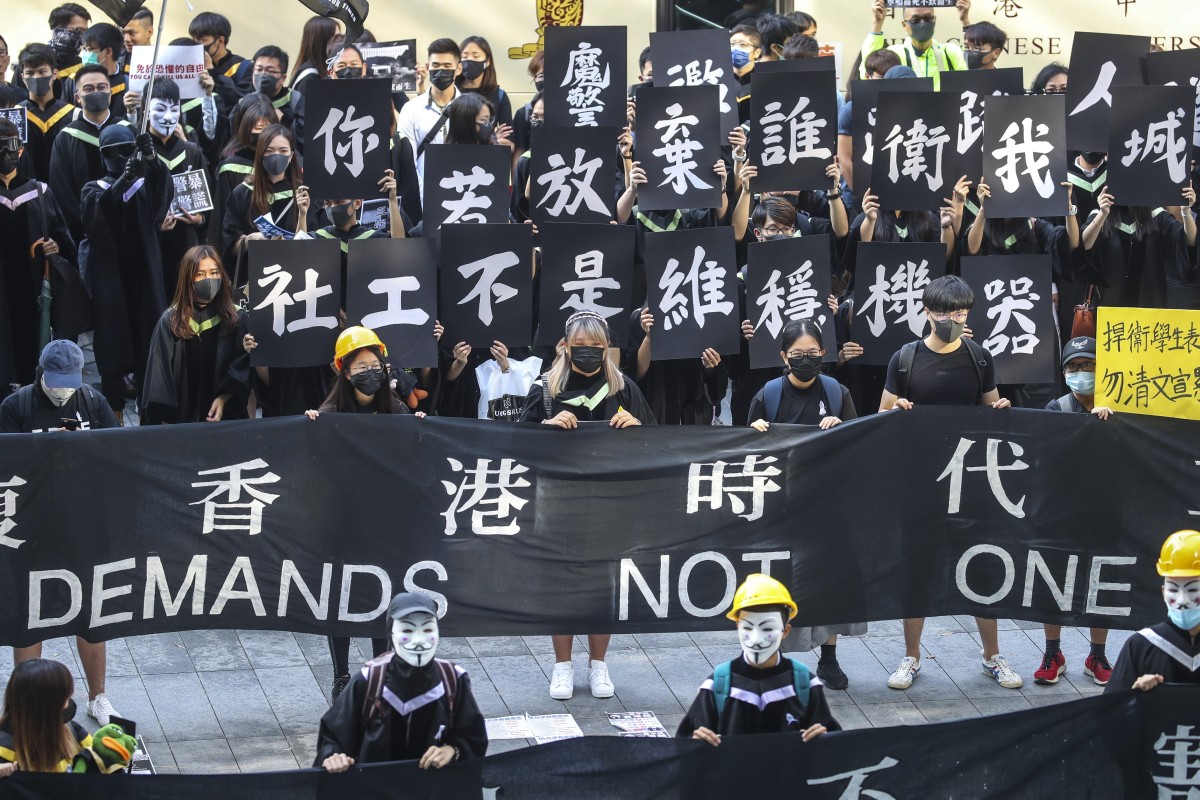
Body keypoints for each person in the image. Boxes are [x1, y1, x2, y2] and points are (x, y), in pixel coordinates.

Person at [878, 275, 1023, 691]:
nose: (953, 319)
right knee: (917, 568)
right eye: (945, 312)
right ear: (927, 311)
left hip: (971, 477)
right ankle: (911, 656)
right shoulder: (905, 358)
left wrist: (999, 407)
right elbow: (882, 414)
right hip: (919, 479)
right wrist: (899, 408)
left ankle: (992, 656)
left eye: (960, 312)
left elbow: (988, 404)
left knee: (981, 564)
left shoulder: (979, 356)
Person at [519, 311, 654, 699]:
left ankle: (598, 665)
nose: (590, 352)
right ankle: (562, 666)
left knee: (602, 585)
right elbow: (516, 444)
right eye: (582, 346)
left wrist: (636, 428)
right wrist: (545, 427)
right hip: (557, 504)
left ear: (607, 346)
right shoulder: (545, 389)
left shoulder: (623, 388)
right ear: (565, 345)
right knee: (559, 585)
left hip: (609, 503)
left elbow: (653, 442)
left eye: (597, 346)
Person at [0, 343, 120, 726]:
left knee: (90, 612)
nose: (62, 391)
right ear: (41, 373)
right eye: (56, 383)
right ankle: (24, 704)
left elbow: (118, 455)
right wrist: (46, 447)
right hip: (32, 527)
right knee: (30, 615)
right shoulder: (16, 407)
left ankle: (98, 696)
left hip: (82, 525)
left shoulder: (93, 401)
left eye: (69, 383)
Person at [303, 329, 425, 696]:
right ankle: (342, 676)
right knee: (339, 597)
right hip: (341, 521)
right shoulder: (330, 413)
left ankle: (379, 671)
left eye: (376, 364)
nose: (371, 372)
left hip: (383, 521)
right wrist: (310, 427)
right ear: (344, 371)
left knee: (379, 595)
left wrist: (418, 430)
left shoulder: (396, 407)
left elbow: (412, 457)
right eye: (362, 366)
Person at [317, 592, 488, 771]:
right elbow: (332, 738)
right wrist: (332, 757)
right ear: (391, 634)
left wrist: (452, 749)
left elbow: (474, 737)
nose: (419, 640)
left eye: (427, 630)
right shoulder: (368, 681)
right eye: (407, 630)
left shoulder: (453, 680)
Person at [1032, 337, 1115, 686]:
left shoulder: (1122, 408)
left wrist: (1113, 424)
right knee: (1053, 582)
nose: (1081, 372)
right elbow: (1049, 458)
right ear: (1064, 372)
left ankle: (1097, 655)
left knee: (1103, 583)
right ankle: (1053, 652)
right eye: (1074, 367)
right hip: (1061, 512)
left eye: (1089, 365)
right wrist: (1088, 429)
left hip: (1108, 512)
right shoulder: (1057, 409)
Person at [677, 574, 840, 744]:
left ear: (785, 631)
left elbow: (833, 748)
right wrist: (693, 743)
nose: (756, 639)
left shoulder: (804, 684)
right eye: (748, 627)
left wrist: (826, 740)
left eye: (767, 628)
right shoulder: (717, 686)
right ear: (737, 626)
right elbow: (685, 745)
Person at [82, 125, 173, 414]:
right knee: (113, 341)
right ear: (102, 156)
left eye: (126, 150)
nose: (121, 157)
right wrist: (124, 178)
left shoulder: (144, 184)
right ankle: (114, 410)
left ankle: (150, 407)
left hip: (144, 273)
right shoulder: (92, 189)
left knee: (148, 335)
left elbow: (163, 195)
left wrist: (152, 159)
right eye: (113, 152)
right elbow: (98, 217)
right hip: (111, 278)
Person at [0, 118, 75, 395]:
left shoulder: (40, 192)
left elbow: (63, 237)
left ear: (20, 150)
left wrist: (55, 245)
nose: (5, 156)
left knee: (36, 350)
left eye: (10, 147)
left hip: (34, 288)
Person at [139, 245, 248, 425]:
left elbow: (241, 368)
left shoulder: (235, 319)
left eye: (214, 273)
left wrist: (223, 398)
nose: (209, 280)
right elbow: (159, 379)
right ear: (187, 278)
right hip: (181, 422)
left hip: (224, 419)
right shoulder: (171, 322)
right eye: (200, 274)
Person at [136, 77, 211, 296]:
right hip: (151, 249)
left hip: (186, 244)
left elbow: (208, 208)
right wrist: (153, 225)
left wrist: (199, 219)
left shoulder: (191, 152)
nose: (168, 117)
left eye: (174, 109)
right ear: (145, 111)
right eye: (159, 109)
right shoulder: (138, 154)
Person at [1106, 530, 1200, 693]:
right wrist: (1133, 695)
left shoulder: (1142, 645)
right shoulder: (1140, 646)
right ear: (1163, 591)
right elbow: (1111, 711)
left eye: (1192, 590)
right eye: (1173, 589)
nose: (1182, 600)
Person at [48, 63, 132, 243]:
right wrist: (84, 225)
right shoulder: (65, 138)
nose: (96, 92)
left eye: (102, 87)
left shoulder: (128, 132)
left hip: (128, 228)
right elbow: (61, 189)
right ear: (77, 97)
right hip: (86, 234)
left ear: (110, 93)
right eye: (89, 88)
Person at [0, 659, 92, 775]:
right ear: (49, 707)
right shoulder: (4, 750)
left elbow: (99, 758)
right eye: (66, 697)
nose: (70, 702)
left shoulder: (74, 732)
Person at [397, 38, 462, 196]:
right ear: (427, 67)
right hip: (421, 197)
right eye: (436, 65)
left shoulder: (471, 109)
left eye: (447, 66)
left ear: (458, 69)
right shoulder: (411, 109)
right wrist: (424, 197)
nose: (441, 71)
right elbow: (408, 161)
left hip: (462, 195)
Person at [861, 0, 971, 90]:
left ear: (935, 20)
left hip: (946, 115)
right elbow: (868, 72)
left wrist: (965, 21)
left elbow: (973, 79)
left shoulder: (950, 53)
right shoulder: (895, 54)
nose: (922, 24)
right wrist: (877, 22)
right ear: (904, 25)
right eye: (915, 20)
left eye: (928, 18)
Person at [17, 44, 75, 183]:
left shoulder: (73, 114)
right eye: (30, 73)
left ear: (54, 74)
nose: (36, 77)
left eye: (42, 71)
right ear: (23, 77)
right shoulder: (16, 116)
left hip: (64, 190)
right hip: (27, 193)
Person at [189, 11, 252, 111]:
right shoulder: (193, 67)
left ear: (220, 41)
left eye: (202, 40)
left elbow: (236, 99)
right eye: (194, 39)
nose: (196, 44)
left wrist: (211, 70)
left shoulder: (244, 67)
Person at [62, 23, 127, 119]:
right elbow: (65, 116)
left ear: (108, 52)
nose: (85, 54)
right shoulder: (73, 81)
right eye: (84, 49)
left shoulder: (126, 83)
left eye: (90, 49)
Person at [248, 46, 305, 146]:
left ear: (283, 78)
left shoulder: (295, 100)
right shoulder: (246, 102)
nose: (263, 75)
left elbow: (305, 137)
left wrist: (284, 120)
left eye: (270, 71)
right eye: (259, 69)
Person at [456, 36, 512, 127]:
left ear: (488, 61)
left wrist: (496, 139)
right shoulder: (451, 91)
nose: (469, 59)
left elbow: (508, 135)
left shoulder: (499, 95)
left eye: (476, 56)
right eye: (464, 56)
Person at [290, 16, 339, 92]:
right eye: (336, 38)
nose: (340, 42)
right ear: (322, 41)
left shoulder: (319, 71)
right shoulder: (310, 76)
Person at [510, 49, 543, 160]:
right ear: (534, 79)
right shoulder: (523, 114)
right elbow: (519, 153)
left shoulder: (573, 111)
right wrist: (518, 177)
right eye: (541, 76)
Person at [729, 24, 760, 124]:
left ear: (757, 53)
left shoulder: (763, 81)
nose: (736, 49)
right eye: (732, 44)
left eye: (743, 45)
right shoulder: (718, 78)